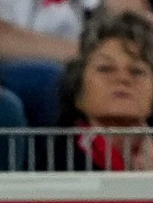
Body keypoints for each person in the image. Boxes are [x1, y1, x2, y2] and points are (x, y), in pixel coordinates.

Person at [0, 0, 150, 130]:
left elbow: (136, 27)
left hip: (87, 59)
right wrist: (87, 55)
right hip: (9, 66)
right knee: (50, 79)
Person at [56, 9, 153, 166]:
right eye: (105, 69)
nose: (122, 79)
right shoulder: (55, 159)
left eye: (137, 71)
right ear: (78, 90)